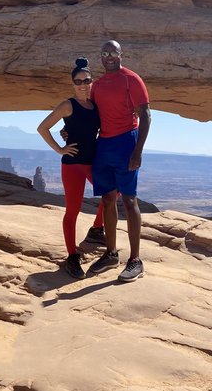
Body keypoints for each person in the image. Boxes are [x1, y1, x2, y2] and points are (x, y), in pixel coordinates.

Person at [87, 40, 151, 282]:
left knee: (129, 199)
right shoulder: (98, 84)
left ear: (121, 54)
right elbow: (92, 115)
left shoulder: (131, 79)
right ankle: (111, 253)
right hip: (104, 144)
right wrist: (69, 129)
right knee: (107, 198)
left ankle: (135, 260)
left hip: (126, 141)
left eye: (113, 52)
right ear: (101, 57)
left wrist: (138, 150)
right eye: (104, 53)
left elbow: (145, 115)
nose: (109, 56)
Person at [37, 58, 105, 279]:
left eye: (86, 80)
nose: (83, 84)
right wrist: (60, 149)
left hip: (92, 161)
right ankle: (72, 256)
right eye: (78, 81)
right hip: (74, 165)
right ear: (72, 84)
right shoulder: (68, 105)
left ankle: (96, 230)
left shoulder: (95, 105)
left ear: (92, 81)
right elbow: (42, 127)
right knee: (72, 211)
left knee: (111, 192)